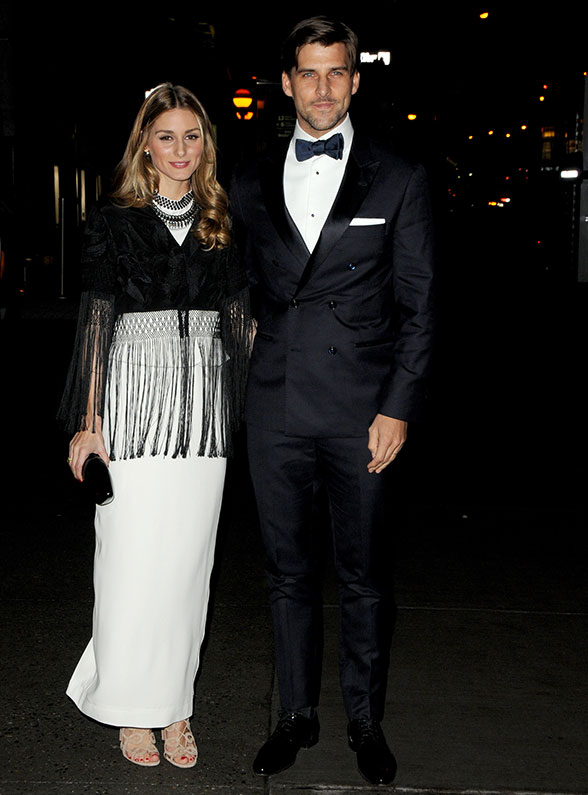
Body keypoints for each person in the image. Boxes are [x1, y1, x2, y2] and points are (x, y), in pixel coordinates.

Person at [229, 16, 435, 786]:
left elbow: (420, 306)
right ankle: (294, 714)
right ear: (286, 83)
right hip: (275, 408)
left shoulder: (399, 175)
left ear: (355, 79)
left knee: (364, 575)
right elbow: (231, 289)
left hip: (362, 413)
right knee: (285, 573)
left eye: (335, 72)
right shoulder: (248, 178)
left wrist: (398, 407)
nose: (322, 88)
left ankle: (364, 717)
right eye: (307, 74)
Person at [58, 83, 252, 769]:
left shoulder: (220, 217)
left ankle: (175, 707)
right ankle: (131, 708)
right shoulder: (113, 218)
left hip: (201, 412)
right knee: (130, 561)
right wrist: (89, 422)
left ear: (206, 146)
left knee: (188, 566)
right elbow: (96, 319)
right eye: (166, 136)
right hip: (133, 401)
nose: (179, 150)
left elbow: (238, 324)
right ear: (145, 142)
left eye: (192, 137)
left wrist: (247, 408)